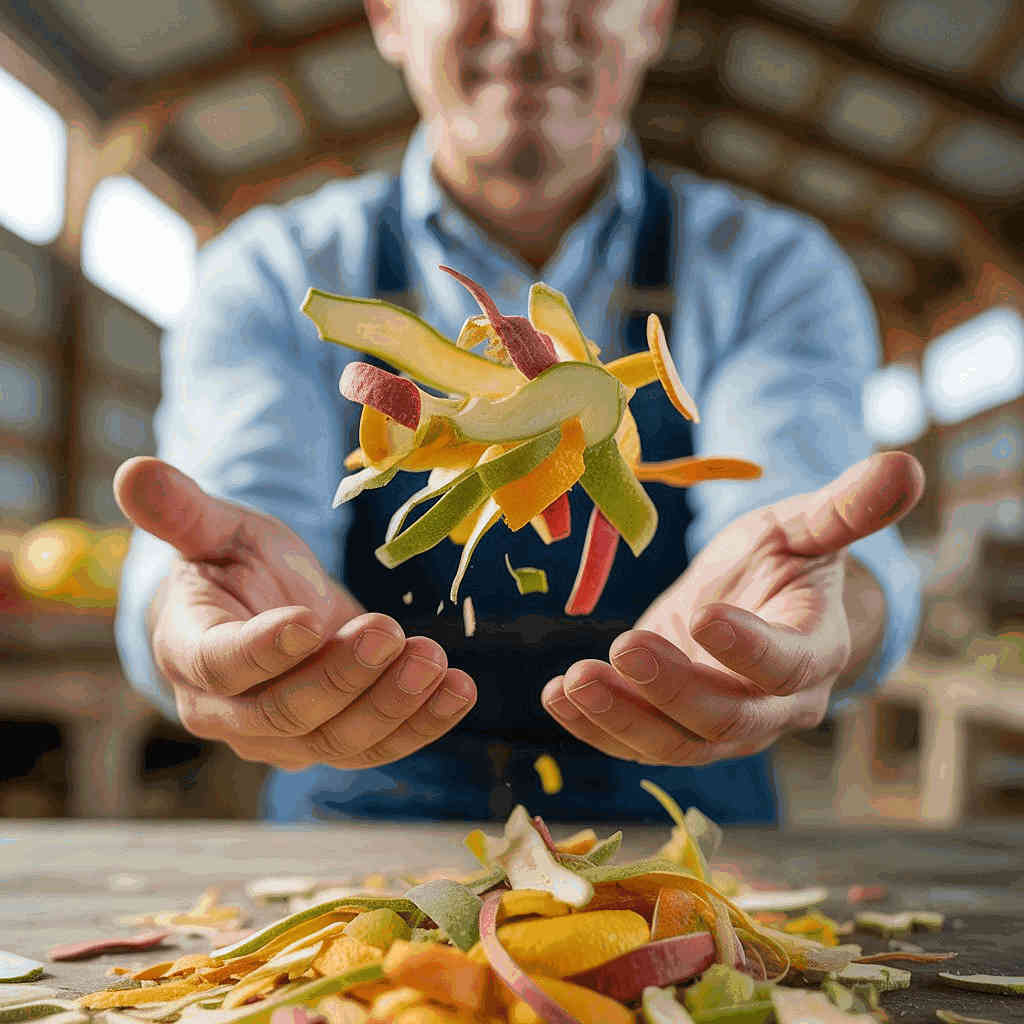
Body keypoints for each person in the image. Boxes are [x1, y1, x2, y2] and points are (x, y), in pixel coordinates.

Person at [113, 0, 923, 824]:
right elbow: (240, 525)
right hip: (359, 827)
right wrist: (222, 619)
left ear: (655, 19)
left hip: (693, 832)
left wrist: (814, 606)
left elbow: (792, 512)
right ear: (390, 16)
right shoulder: (270, 272)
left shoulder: (771, 269)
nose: (531, 24)